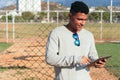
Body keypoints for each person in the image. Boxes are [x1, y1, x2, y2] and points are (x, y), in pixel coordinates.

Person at [45, 1, 106, 80]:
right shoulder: (57, 33)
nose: (82, 23)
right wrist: (75, 59)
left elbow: (93, 55)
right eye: (79, 19)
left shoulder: (89, 35)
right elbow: (50, 59)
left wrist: (97, 62)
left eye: (85, 20)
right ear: (70, 16)